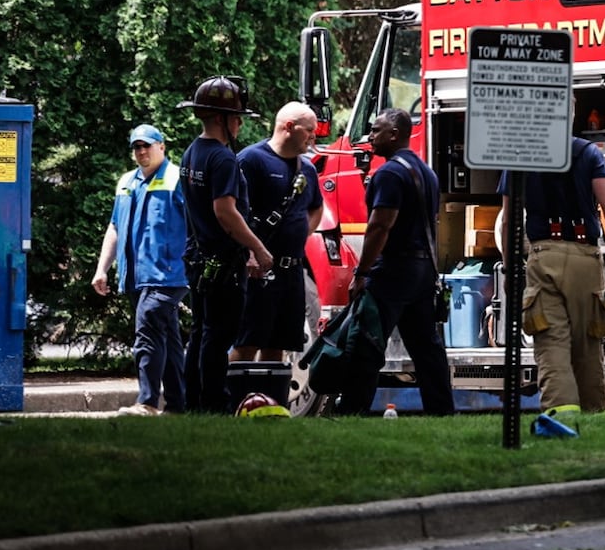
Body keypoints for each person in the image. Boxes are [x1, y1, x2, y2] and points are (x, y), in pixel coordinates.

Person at [502, 129, 605, 431]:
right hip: (586, 259)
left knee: (551, 342)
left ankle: (561, 422)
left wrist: (510, 268)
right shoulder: (589, 153)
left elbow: (509, 216)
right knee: (588, 344)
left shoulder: (518, 152)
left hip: (542, 256)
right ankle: (594, 423)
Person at [336, 108, 456, 416]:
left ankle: (352, 409)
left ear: (394, 134)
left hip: (394, 271)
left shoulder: (389, 173)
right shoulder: (426, 172)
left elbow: (380, 225)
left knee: (367, 342)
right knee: (427, 347)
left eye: (376, 131)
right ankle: (441, 410)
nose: (371, 137)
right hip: (422, 271)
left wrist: (362, 272)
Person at [178, 76, 274, 414]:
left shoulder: (192, 153)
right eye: (237, 117)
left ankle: (193, 404)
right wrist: (258, 248)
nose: (240, 123)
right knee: (217, 338)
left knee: (201, 334)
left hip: (198, 259)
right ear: (220, 118)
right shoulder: (223, 159)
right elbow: (225, 211)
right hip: (222, 264)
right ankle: (214, 406)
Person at [92, 123, 188, 416]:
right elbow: (115, 226)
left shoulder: (176, 179)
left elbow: (199, 223)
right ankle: (177, 406)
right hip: (137, 276)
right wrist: (102, 268)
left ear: (162, 147)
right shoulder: (126, 182)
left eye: (147, 145)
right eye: (137, 146)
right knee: (168, 338)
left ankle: (146, 402)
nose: (142, 151)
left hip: (169, 274)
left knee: (147, 327)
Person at [231, 102, 323, 365]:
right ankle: (235, 402)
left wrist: (300, 234)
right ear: (289, 127)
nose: (314, 137)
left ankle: (269, 403)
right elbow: (235, 212)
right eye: (309, 130)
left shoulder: (307, 169)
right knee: (248, 341)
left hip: (292, 271)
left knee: (278, 344)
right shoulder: (251, 160)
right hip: (257, 270)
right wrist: (249, 253)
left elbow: (316, 208)